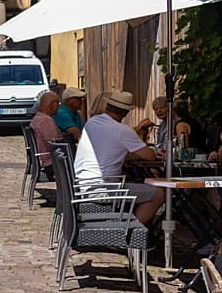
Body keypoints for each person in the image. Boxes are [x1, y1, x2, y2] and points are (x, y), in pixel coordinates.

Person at [74, 90, 165, 226]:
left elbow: (108, 151)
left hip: (83, 185)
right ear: (126, 112)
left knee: (138, 184)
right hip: (104, 188)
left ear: (107, 107)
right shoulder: (122, 130)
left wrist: (127, 156)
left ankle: (134, 231)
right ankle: (127, 232)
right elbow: (149, 155)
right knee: (158, 193)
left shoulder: (91, 123)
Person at [29, 91, 62, 180]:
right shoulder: (46, 121)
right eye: (57, 103)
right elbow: (54, 144)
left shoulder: (37, 118)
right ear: (51, 104)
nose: (59, 105)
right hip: (50, 163)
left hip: (44, 160)